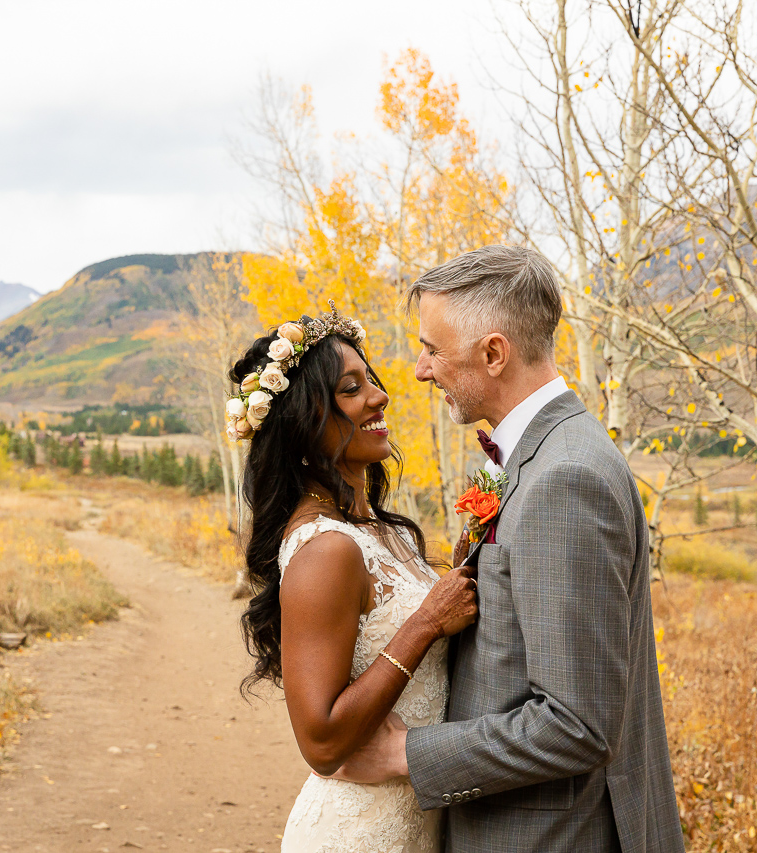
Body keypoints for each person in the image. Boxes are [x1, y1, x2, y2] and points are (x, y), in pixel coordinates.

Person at [329, 246, 684, 852]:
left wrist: (405, 754)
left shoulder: (565, 479)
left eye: (433, 349)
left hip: (551, 836)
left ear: (494, 353)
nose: (418, 370)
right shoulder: (533, 456)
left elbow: (576, 724)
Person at [227, 304, 479, 853]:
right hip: (359, 833)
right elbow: (320, 742)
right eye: (350, 388)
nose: (380, 396)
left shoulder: (383, 532)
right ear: (303, 421)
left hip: (420, 821)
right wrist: (426, 622)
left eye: (372, 380)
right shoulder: (326, 550)